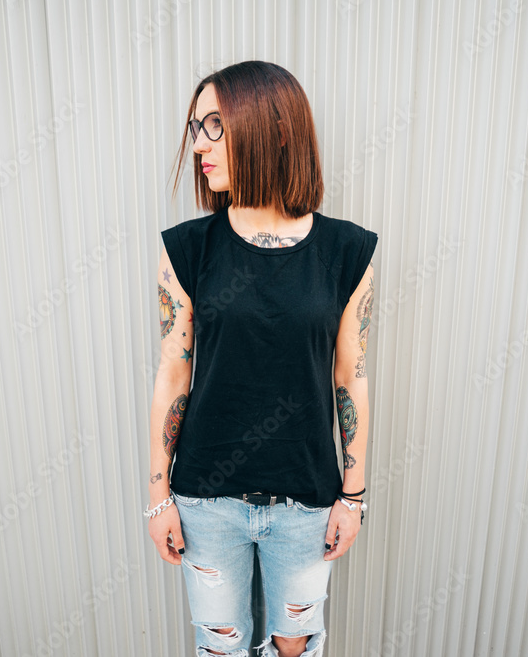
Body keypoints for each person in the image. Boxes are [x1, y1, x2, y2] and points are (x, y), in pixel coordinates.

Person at [146, 60, 377, 657]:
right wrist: (158, 495)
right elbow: (173, 372)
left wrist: (352, 497)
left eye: (215, 125)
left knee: (294, 647)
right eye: (196, 127)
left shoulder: (346, 250)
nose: (199, 144)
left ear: (273, 130)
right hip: (206, 501)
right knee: (220, 648)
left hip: (307, 499)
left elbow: (350, 377)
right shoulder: (189, 249)